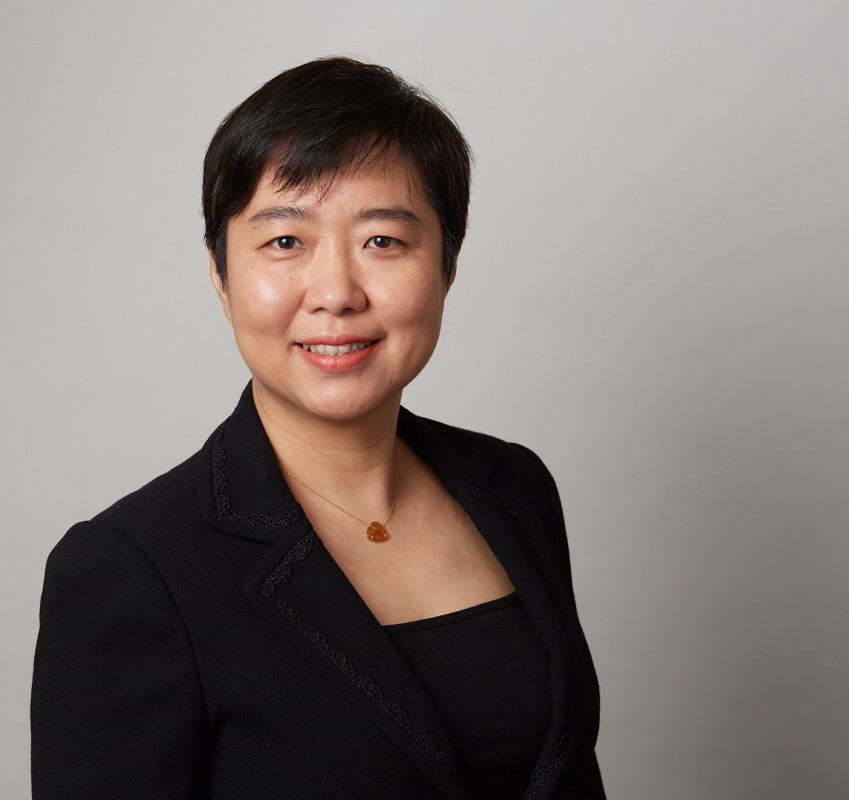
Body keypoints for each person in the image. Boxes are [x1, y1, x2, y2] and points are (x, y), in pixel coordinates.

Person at [31, 57, 604, 799]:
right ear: (220, 274)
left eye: (383, 242)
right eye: (284, 242)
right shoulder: (130, 571)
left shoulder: (515, 489)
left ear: (448, 263)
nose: (335, 294)